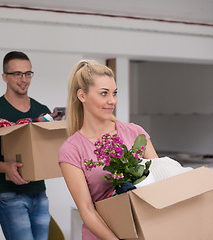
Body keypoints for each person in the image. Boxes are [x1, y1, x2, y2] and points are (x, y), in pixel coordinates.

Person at [58, 60, 159, 240]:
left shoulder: (135, 133)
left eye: (114, 93)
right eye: (104, 93)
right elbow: (87, 211)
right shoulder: (71, 150)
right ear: (82, 96)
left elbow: (161, 182)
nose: (112, 101)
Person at [0, 51, 51, 240]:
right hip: (8, 196)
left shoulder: (42, 111)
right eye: (17, 74)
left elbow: (47, 148)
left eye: (27, 73)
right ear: (4, 77)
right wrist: (4, 167)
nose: (23, 79)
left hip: (39, 194)